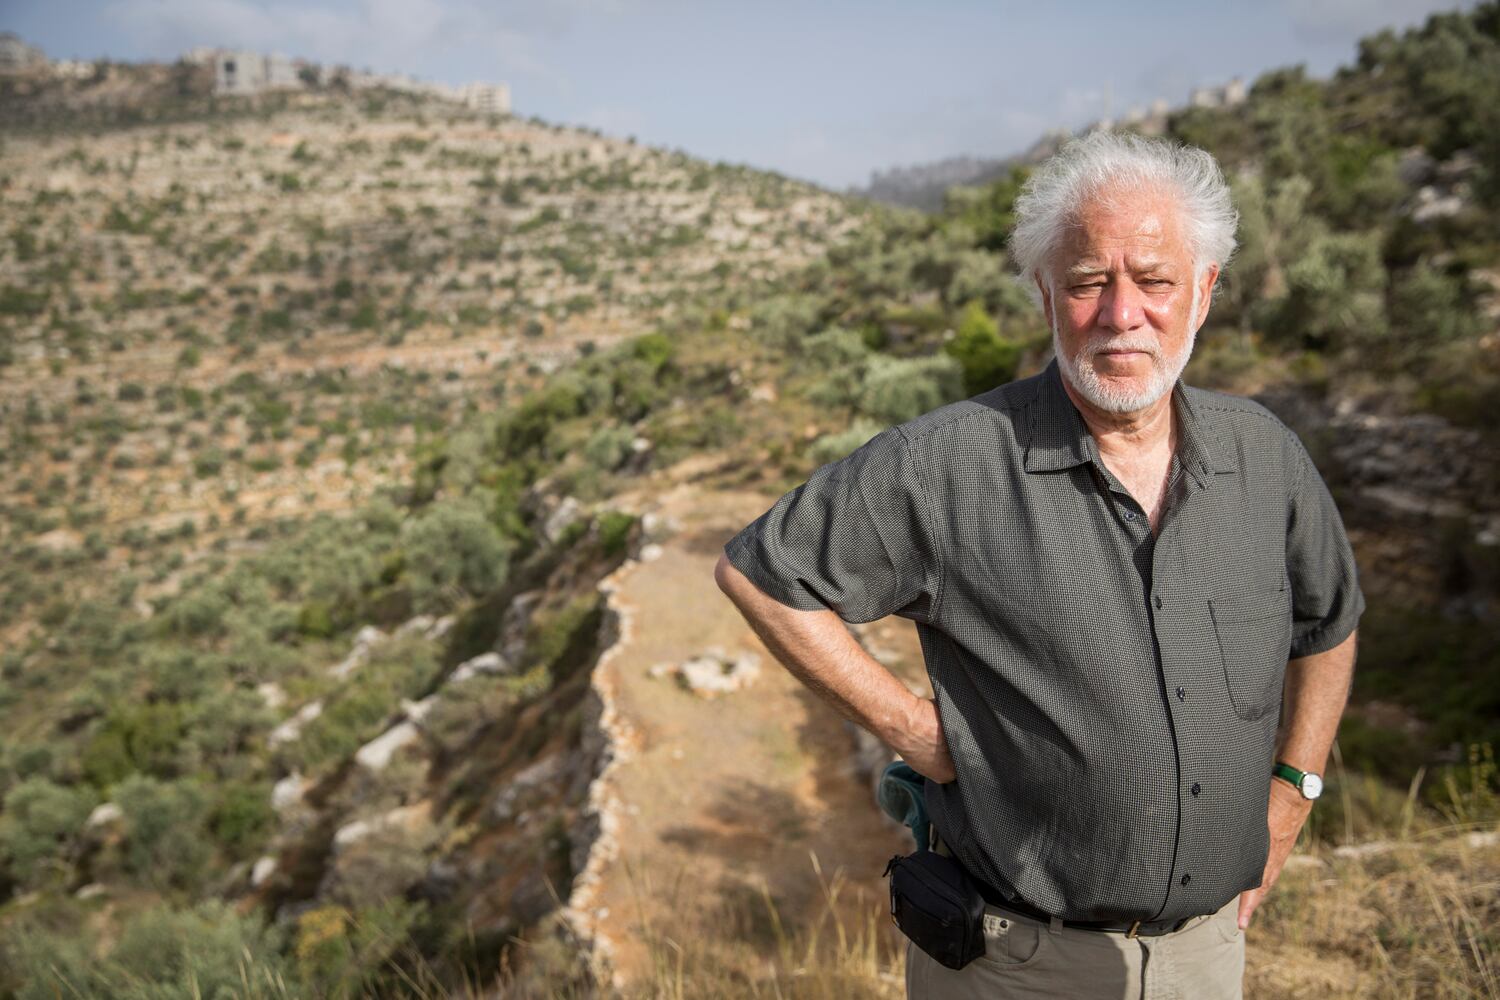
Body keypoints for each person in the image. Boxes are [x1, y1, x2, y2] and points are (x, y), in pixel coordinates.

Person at [713, 130, 1363, 999]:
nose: (1121, 312)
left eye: (1155, 281)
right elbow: (762, 573)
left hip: (1208, 957)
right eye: (1089, 281)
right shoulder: (949, 463)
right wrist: (917, 733)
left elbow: (1328, 624)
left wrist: (1294, 790)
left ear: (1204, 293)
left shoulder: (1265, 456)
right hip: (1014, 966)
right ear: (1045, 295)